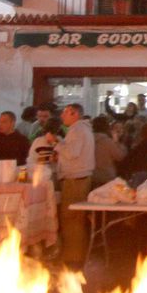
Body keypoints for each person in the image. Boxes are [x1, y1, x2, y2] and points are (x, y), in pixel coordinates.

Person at [55, 104, 96, 267]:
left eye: (65, 113)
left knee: (72, 219)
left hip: (75, 180)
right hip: (79, 178)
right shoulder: (82, 129)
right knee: (75, 219)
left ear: (75, 114)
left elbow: (72, 153)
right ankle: (76, 256)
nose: (62, 116)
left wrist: (56, 143)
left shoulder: (77, 130)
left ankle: (73, 258)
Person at [91, 115, 125, 186]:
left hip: (91, 175)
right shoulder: (107, 141)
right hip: (106, 176)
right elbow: (120, 156)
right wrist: (117, 143)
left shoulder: (88, 139)